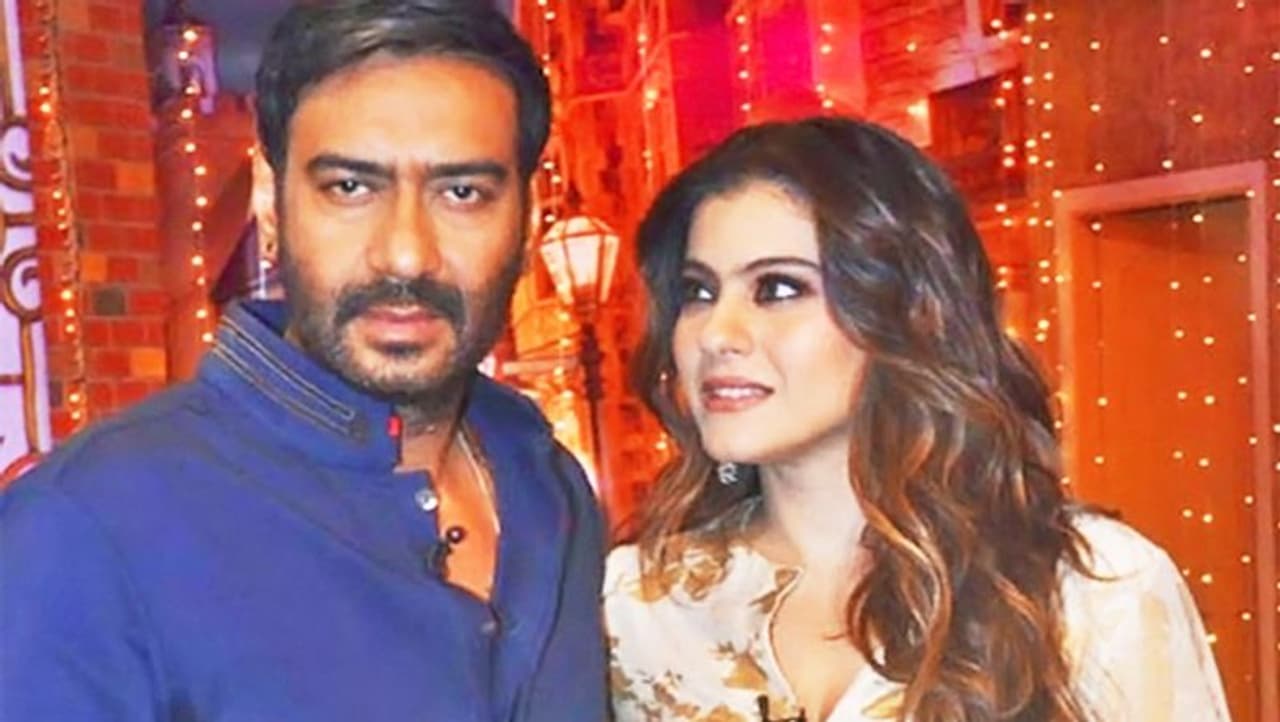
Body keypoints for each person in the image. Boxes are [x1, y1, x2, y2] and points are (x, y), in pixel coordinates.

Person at [1, 2, 607, 720]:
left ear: (528, 216)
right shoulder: (89, 529)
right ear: (270, 197)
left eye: (461, 192)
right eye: (351, 187)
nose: (405, 254)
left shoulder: (548, 485)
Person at [605, 117, 1232, 722]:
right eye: (699, 292)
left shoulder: (1089, 591)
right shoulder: (637, 608)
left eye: (778, 289)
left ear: (904, 313)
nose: (717, 333)